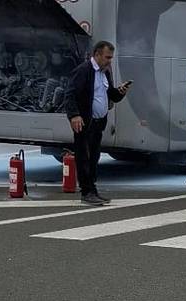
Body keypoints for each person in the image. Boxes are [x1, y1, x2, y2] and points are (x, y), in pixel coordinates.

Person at [64, 41, 130, 205]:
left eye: (111, 58)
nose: (109, 61)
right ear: (97, 54)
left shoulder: (104, 73)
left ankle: (92, 190)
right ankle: (86, 192)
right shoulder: (84, 70)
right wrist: (74, 115)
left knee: (94, 157)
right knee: (84, 157)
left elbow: (111, 95)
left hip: (98, 123)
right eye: (107, 57)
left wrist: (120, 92)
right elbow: (70, 94)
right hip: (85, 122)